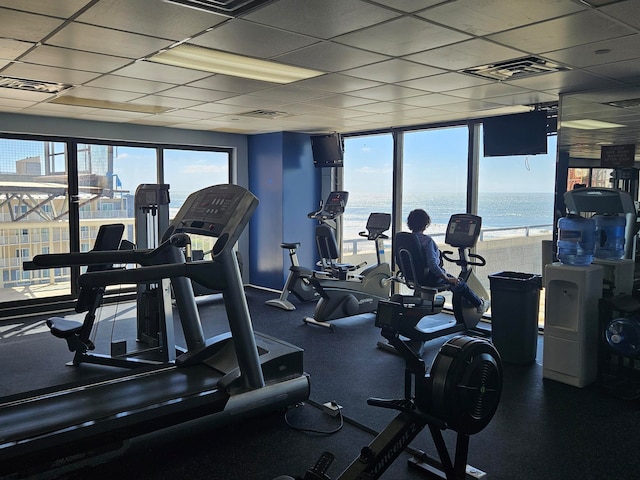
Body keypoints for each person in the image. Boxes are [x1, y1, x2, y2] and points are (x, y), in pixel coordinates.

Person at [407, 209, 490, 315]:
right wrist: (447, 278)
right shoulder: (427, 241)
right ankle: (479, 305)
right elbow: (432, 265)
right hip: (431, 278)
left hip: (415, 277)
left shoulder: (407, 239)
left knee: (453, 281)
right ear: (425, 224)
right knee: (459, 283)